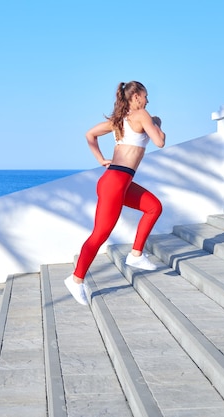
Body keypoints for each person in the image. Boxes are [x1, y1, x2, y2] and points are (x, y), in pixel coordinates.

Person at [64, 81, 166, 305]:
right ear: (136, 96)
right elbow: (160, 141)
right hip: (115, 183)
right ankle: (76, 279)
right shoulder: (141, 114)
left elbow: (90, 134)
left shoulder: (119, 121)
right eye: (146, 96)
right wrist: (156, 123)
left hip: (119, 181)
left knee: (153, 207)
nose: (148, 100)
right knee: (99, 234)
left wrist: (101, 160)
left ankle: (136, 254)